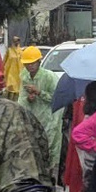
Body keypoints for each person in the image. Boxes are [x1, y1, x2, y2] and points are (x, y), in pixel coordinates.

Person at [18, 45, 62, 178]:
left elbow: (57, 98)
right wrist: (28, 99)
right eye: (27, 64)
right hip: (32, 117)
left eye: (33, 63)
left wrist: (40, 92)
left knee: (49, 147)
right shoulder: (24, 77)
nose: (30, 66)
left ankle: (50, 173)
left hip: (49, 118)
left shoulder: (49, 77)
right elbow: (21, 99)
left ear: (39, 62)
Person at [3, 37, 23, 101]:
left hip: (18, 74)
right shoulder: (9, 51)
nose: (16, 42)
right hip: (10, 74)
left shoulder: (21, 51)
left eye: (18, 41)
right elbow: (4, 61)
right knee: (10, 90)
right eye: (15, 41)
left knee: (17, 91)